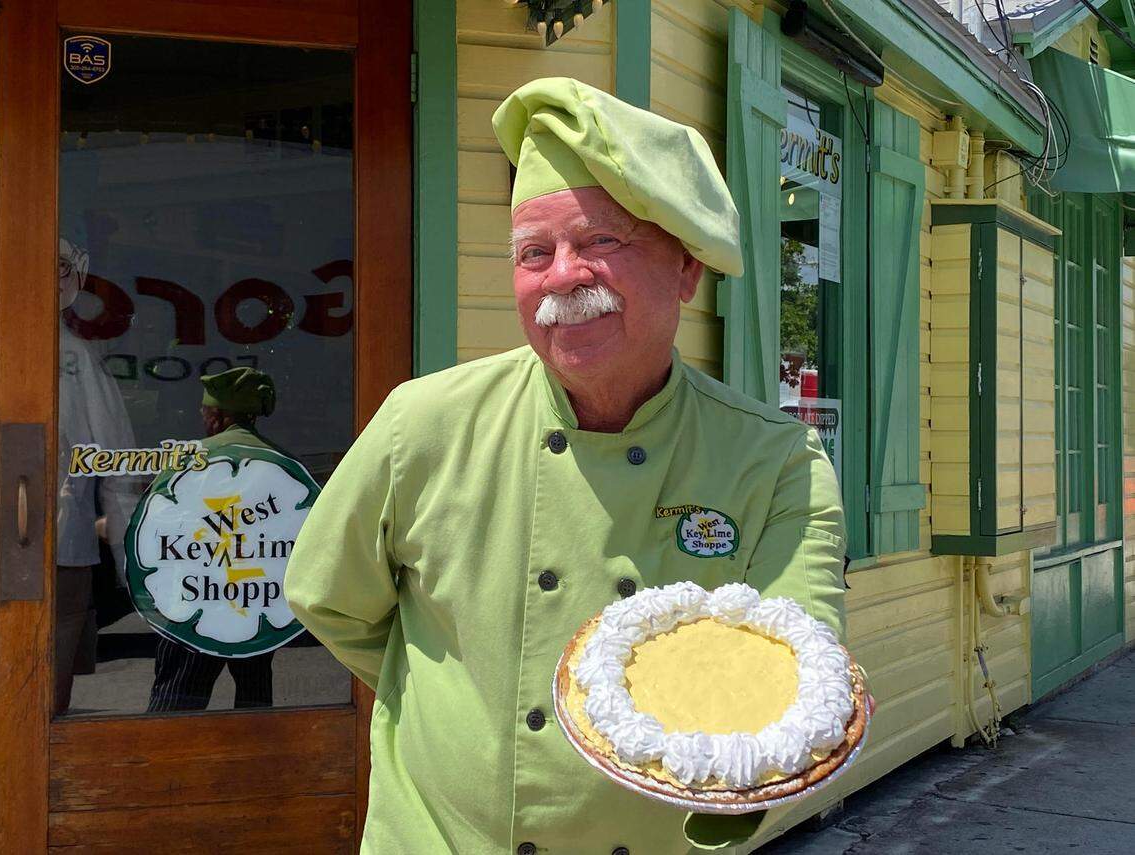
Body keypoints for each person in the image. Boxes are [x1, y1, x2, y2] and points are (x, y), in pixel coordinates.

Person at [285, 78, 847, 854]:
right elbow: (329, 597)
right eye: (533, 253)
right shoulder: (422, 425)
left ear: (686, 268)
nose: (562, 278)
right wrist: (458, 708)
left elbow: (800, 689)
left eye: (600, 243)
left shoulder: (776, 461)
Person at [145, 367, 280, 712]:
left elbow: (159, 523)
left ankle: (165, 764)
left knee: (177, 700)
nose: (202, 418)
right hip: (257, 599)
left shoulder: (193, 460)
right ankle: (256, 762)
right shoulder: (279, 461)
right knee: (255, 697)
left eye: (204, 412)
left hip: (197, 597)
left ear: (217, 416)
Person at [55, 237, 140, 714]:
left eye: (63, 267)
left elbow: (116, 464)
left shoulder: (79, 361)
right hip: (56, 543)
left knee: (45, 699)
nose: (55, 278)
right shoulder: (74, 359)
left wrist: (128, 559)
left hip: (60, 544)